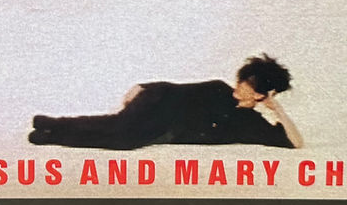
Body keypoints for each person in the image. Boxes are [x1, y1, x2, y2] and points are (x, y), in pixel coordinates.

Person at [28, 54, 303, 150]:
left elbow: (296, 143)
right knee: (119, 128)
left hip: (165, 129)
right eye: (241, 80)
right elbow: (176, 89)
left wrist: (277, 108)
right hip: (157, 103)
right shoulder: (218, 88)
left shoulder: (251, 123)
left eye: (247, 86)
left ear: (260, 95)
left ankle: (52, 134)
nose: (239, 85)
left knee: (122, 140)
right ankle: (55, 125)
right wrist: (143, 87)